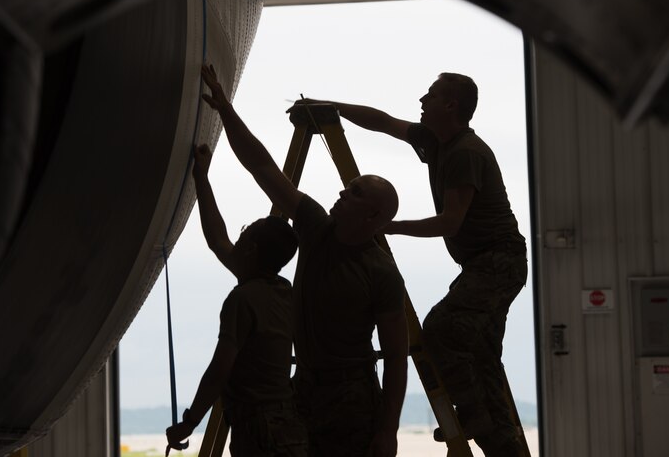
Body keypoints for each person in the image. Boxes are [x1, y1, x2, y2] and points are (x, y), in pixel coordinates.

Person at [300, 72, 530, 457]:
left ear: (450, 105)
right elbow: (384, 122)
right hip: (480, 264)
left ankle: (473, 417)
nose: (423, 99)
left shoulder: (465, 153)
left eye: (432, 95)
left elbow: (449, 222)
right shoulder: (433, 140)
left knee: (441, 330)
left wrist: (386, 226)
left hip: (498, 262)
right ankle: (501, 440)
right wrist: (333, 108)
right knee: (481, 356)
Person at [199, 63, 408, 457]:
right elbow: (262, 168)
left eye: (356, 192)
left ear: (375, 217)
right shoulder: (316, 224)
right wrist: (225, 110)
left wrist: (389, 430)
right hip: (305, 386)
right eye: (349, 187)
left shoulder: (381, 273)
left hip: (353, 396)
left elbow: (397, 356)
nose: (344, 194)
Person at [165, 143, 307, 457]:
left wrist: (189, 423)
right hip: (289, 422)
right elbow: (218, 240)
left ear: (251, 249)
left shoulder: (243, 298)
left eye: (244, 232)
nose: (237, 237)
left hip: (259, 428)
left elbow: (219, 370)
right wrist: (200, 176)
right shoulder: (281, 290)